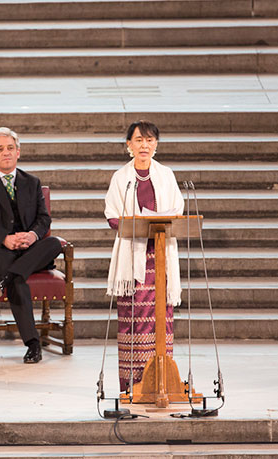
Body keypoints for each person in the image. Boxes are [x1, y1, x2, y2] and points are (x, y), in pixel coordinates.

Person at [0, 127, 62, 364]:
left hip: (31, 249)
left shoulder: (32, 182)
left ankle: (4, 279)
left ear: (18, 152)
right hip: (0, 252)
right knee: (17, 278)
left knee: (53, 243)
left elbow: (44, 219)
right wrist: (5, 238)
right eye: (0, 149)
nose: (6, 153)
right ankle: (33, 344)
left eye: (10, 148)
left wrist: (32, 235)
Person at [104, 120, 184, 392]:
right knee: (134, 319)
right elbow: (112, 214)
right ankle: (132, 384)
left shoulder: (166, 175)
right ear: (129, 145)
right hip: (132, 256)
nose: (144, 145)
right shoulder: (120, 178)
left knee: (161, 318)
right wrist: (131, 224)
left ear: (156, 145)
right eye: (138, 140)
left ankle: (161, 381)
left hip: (160, 254)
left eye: (149, 140)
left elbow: (177, 210)